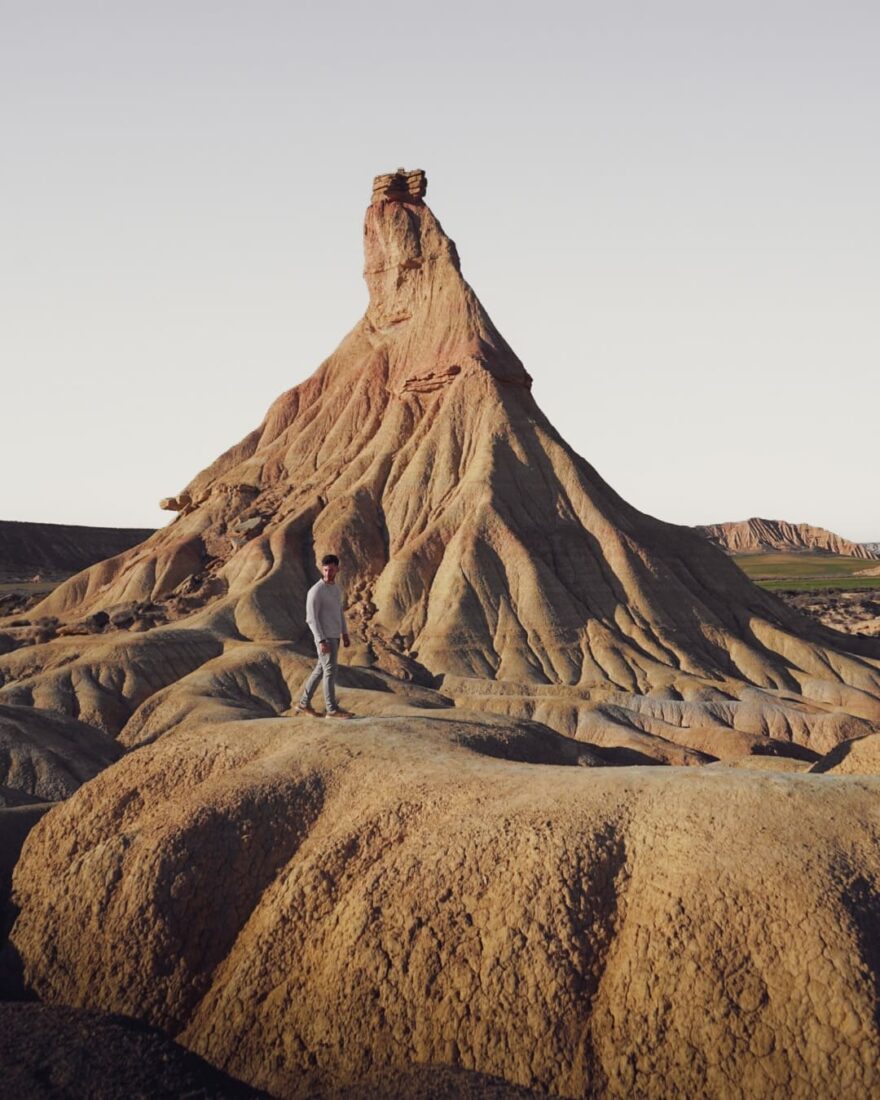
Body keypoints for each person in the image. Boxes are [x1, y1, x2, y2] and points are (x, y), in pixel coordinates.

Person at [295, 554, 354, 719]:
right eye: (326, 570)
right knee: (329, 671)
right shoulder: (316, 591)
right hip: (324, 637)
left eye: (331, 570)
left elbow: (339, 612)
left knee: (321, 669)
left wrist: (345, 633)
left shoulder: (335, 589)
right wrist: (321, 640)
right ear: (322, 569)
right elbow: (311, 618)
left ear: (337, 570)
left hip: (335, 635)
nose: (328, 573)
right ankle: (332, 709)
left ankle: (304, 703)